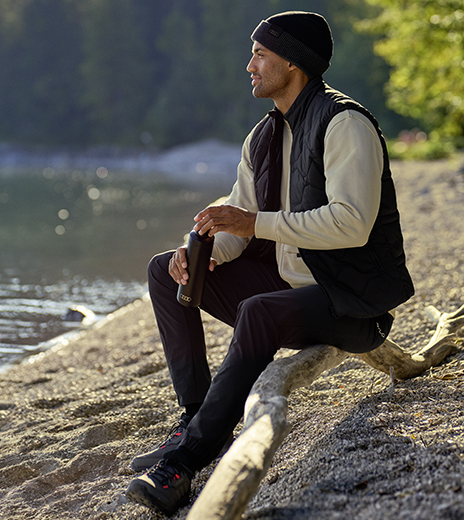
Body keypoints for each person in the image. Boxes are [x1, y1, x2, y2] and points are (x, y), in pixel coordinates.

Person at [125, 10, 414, 516]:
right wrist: (204, 254)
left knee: (258, 309)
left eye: (260, 54)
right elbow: (239, 225)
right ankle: (196, 415)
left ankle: (184, 462)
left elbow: (351, 224)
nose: (250, 65)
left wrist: (254, 224)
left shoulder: (345, 124)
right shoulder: (262, 136)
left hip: (350, 301)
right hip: (288, 289)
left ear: (293, 62)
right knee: (162, 271)